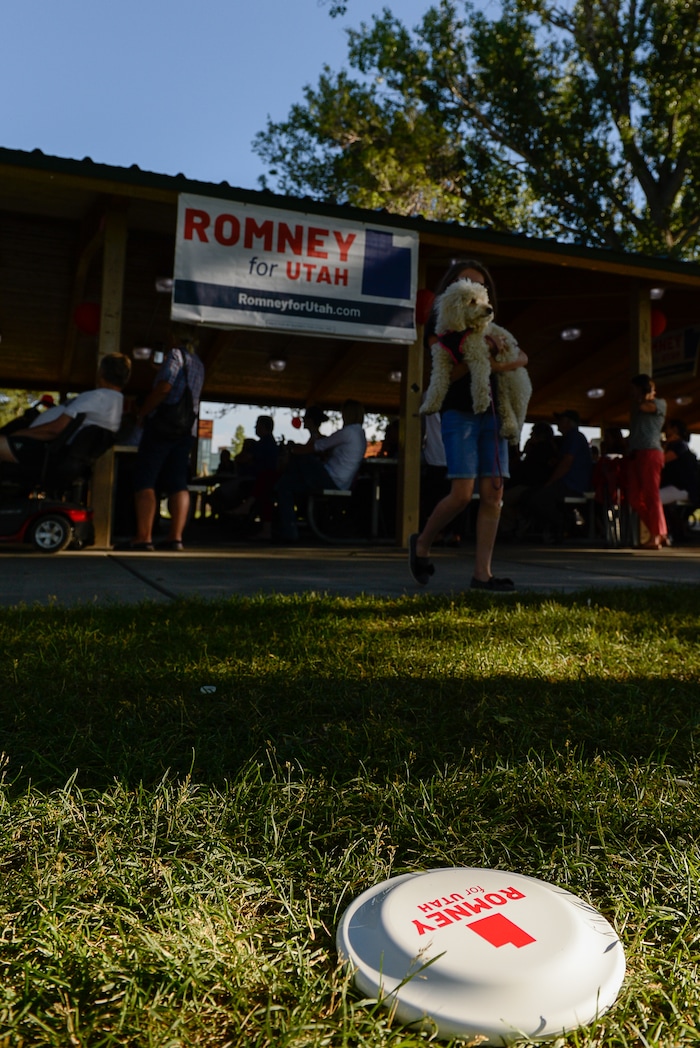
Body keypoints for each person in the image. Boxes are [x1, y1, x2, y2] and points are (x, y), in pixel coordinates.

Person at [408, 259, 528, 591]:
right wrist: (482, 360)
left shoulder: (490, 328)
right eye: (464, 281)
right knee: (461, 495)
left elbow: (521, 357)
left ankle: (482, 574)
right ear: (452, 288)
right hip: (458, 413)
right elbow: (446, 377)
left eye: (479, 286)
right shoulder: (440, 330)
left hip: (493, 412)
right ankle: (422, 543)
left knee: (493, 494)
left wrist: (501, 360)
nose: (473, 289)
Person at [128, 326, 205, 551]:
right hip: (186, 430)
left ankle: (144, 537)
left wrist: (143, 412)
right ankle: (176, 538)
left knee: (146, 478)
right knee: (178, 482)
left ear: (173, 336)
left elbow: (164, 388)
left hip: (163, 426)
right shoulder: (198, 363)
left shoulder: (175, 355)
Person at [0, 353, 131, 475]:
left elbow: (54, 430)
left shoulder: (97, 397)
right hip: (55, 454)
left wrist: (19, 434)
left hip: (42, 452)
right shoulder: (115, 402)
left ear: (101, 372)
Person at [275, 399, 366, 541]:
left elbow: (319, 446)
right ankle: (289, 530)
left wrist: (292, 450)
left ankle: (289, 530)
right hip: (341, 480)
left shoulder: (348, 432)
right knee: (284, 486)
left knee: (300, 461)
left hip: (332, 478)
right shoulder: (360, 434)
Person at [517, 410, 593, 542]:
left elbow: (567, 463)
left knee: (535, 498)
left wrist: (550, 482)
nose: (557, 423)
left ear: (568, 422)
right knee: (530, 495)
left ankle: (563, 524)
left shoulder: (574, 437)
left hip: (572, 485)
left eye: (561, 420)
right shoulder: (569, 438)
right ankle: (556, 526)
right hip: (568, 483)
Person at [625, 373, 668, 549]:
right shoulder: (636, 408)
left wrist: (647, 393)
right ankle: (659, 531)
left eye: (634, 389)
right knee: (635, 498)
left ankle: (656, 535)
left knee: (651, 495)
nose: (632, 393)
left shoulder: (659, 403)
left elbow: (646, 407)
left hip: (651, 453)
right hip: (635, 454)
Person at [498, 421, 559, 538]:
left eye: (532, 434)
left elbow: (524, 469)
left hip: (530, 486)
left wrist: (525, 453)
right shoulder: (551, 449)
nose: (530, 436)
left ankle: (512, 526)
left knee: (503, 499)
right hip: (534, 485)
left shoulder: (540, 450)